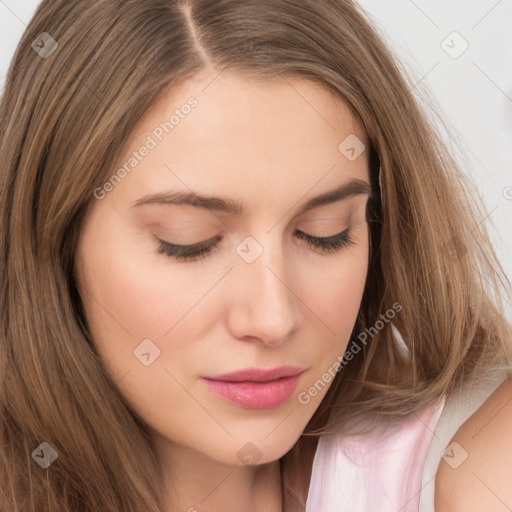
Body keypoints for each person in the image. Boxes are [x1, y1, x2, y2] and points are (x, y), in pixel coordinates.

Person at [1, 1, 511, 511]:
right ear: (56, 239)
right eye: (189, 242)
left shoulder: (474, 456)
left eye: (324, 233)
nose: (273, 319)